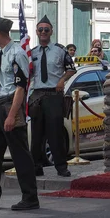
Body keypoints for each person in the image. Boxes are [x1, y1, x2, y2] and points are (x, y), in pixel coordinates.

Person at [0, 16, 38, 211]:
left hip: (9, 107)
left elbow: (20, 87)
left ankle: (30, 198)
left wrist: (12, 115)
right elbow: (4, 83)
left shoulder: (17, 53)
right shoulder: (2, 53)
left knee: (20, 155)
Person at [29, 15, 77, 177]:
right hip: (37, 96)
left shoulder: (60, 50)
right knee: (36, 133)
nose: (43, 32)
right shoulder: (31, 52)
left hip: (53, 94)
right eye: (40, 29)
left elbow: (71, 69)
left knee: (55, 133)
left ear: (51, 32)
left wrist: (62, 80)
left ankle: (61, 167)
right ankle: (36, 166)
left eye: (46, 30)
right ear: (36, 32)